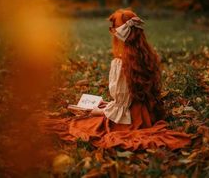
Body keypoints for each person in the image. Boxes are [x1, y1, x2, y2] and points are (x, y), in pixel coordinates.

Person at [50, 9, 191, 151]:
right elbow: (128, 99)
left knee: (84, 125)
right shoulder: (146, 55)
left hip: (130, 121)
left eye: (113, 29)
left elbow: (121, 106)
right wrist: (109, 105)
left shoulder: (121, 62)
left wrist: (99, 111)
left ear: (120, 33)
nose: (112, 33)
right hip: (147, 115)